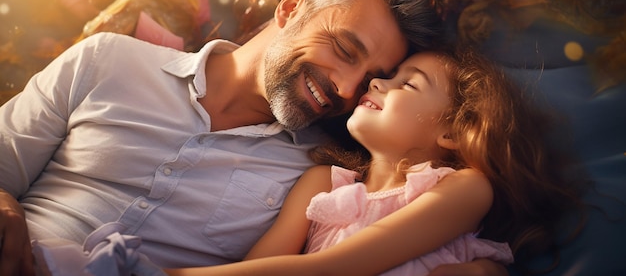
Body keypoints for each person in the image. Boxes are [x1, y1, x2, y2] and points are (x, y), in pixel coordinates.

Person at [0, 0, 505, 276]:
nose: (348, 87)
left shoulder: (322, 176)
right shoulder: (108, 59)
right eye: (345, 50)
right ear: (289, 9)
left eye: (374, 74)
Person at [164, 48, 584, 276]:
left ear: (452, 133)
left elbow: (339, 267)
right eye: (390, 74)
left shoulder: (464, 188)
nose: (378, 82)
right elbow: (260, 268)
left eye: (408, 84)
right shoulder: (321, 186)